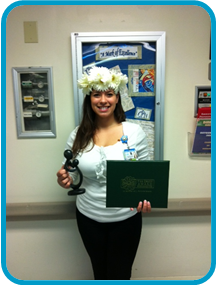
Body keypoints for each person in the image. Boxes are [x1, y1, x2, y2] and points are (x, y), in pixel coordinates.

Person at [56, 66, 151, 280]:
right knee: (99, 273)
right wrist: (65, 179)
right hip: (89, 217)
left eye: (109, 94)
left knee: (120, 275)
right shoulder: (78, 134)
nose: (103, 100)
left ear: (117, 98)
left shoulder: (134, 132)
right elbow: (70, 174)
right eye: (97, 94)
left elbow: (146, 175)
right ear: (89, 99)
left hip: (126, 218)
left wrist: (146, 197)